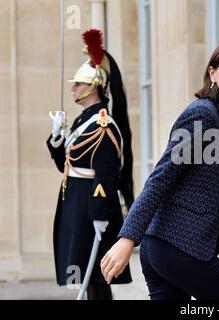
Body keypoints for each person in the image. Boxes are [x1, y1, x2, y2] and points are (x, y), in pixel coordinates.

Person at [100, 38, 219, 300]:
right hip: (178, 248)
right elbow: (161, 177)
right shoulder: (203, 113)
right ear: (212, 72)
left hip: (168, 248)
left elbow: (198, 183)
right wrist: (127, 240)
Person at [47, 29, 134, 300]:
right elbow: (67, 164)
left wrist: (100, 213)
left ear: (94, 86)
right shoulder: (83, 120)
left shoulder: (102, 122)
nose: (73, 88)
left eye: (78, 84)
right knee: (86, 276)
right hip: (76, 202)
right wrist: (56, 137)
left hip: (90, 207)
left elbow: (106, 174)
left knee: (96, 278)